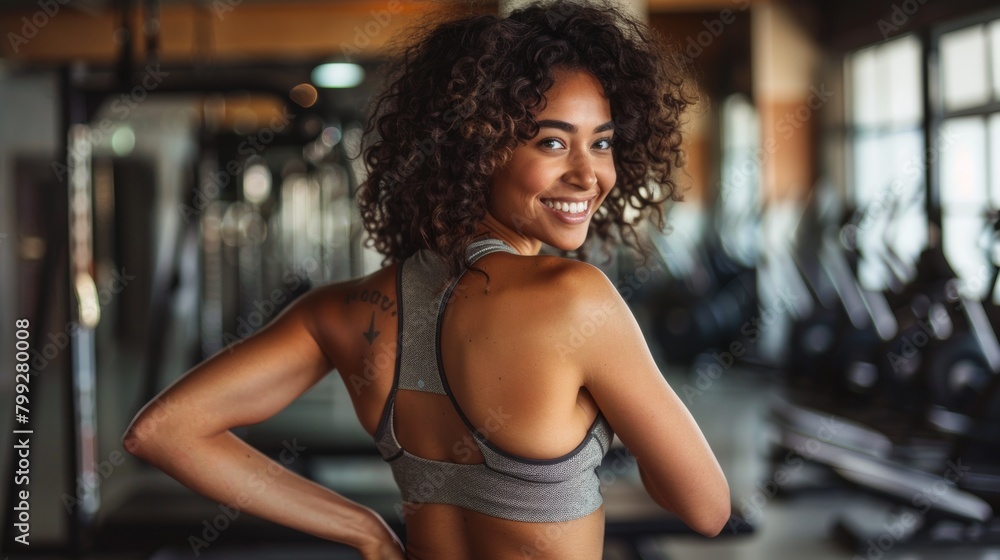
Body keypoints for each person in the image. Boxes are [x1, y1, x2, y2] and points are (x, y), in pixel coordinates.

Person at [122, 1, 731, 558]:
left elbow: (163, 431)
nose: (589, 174)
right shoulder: (576, 299)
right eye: (552, 142)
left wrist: (362, 527)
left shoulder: (347, 310)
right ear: (480, 145)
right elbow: (705, 508)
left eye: (602, 143)